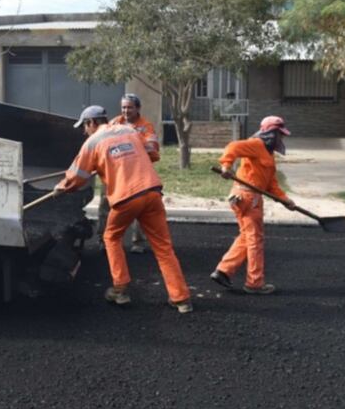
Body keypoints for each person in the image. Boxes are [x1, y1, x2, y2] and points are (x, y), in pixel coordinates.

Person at [55, 105, 193, 313]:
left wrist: (61, 187)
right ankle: (181, 299)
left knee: (111, 237)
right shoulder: (130, 131)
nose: (85, 131)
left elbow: (77, 176)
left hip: (126, 197)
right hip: (152, 191)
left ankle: (120, 289)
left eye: (85, 126)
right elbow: (152, 152)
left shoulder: (92, 142)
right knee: (163, 247)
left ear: (92, 123)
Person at [210, 115, 296, 295]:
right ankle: (255, 283)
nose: (281, 138)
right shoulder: (256, 144)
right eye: (280, 134)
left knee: (247, 236)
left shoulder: (268, 154)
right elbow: (233, 147)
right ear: (271, 133)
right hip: (247, 197)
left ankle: (223, 271)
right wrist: (226, 166)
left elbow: (271, 184)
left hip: (248, 197)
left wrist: (285, 200)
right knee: (255, 240)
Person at [98, 93, 160, 254]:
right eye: (123, 107)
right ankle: (102, 239)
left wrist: (131, 142)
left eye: (129, 107)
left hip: (136, 174)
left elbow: (152, 149)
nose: (126, 111)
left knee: (138, 207)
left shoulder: (146, 126)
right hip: (114, 173)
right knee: (106, 204)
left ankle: (138, 242)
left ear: (138, 108)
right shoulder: (114, 122)